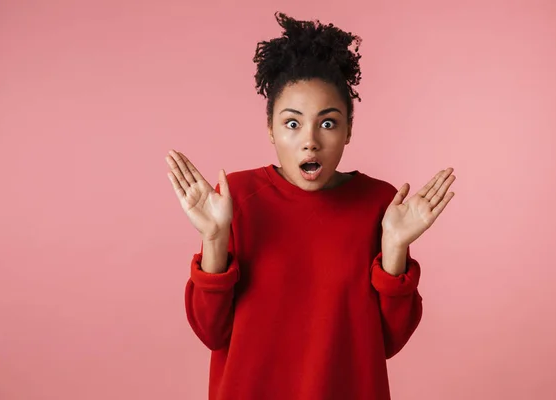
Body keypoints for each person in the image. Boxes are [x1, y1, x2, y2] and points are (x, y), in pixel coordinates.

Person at [165, 12, 456, 400]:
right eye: (292, 123)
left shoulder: (381, 205)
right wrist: (215, 237)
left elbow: (389, 341)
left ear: (349, 129)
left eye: (328, 123)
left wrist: (395, 248)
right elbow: (210, 331)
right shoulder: (234, 198)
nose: (310, 141)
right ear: (270, 128)